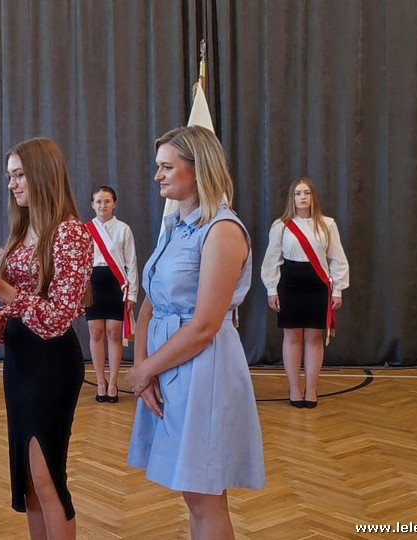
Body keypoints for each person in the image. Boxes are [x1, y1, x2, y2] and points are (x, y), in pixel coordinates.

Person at [125, 126, 265, 539]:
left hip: (203, 370)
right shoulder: (175, 226)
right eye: (158, 167)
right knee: (193, 493)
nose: (157, 176)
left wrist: (146, 369)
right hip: (169, 366)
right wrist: (143, 367)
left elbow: (204, 326)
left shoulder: (222, 230)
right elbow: (149, 303)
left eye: (167, 167)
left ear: (198, 169)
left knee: (204, 495)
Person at [0, 137, 92, 539]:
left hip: (51, 364)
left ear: (42, 175)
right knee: (29, 481)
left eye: (19, 175)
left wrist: (3, 291)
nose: (12, 184)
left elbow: (56, 318)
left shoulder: (71, 233)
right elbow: (19, 303)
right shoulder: (24, 231)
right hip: (20, 363)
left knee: (47, 474)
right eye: (9, 176)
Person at [261, 177, 349, 408]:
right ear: (292, 197)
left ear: (313, 197)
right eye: (298, 193)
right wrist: (271, 289)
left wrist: (338, 290)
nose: (302, 197)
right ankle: (294, 388)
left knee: (313, 338)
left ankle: (311, 389)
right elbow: (272, 259)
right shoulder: (281, 226)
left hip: (317, 287)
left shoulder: (327, 224)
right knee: (291, 338)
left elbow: (337, 259)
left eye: (306, 193)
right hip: (289, 287)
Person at [84, 185, 138, 403]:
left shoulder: (123, 229)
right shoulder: (86, 230)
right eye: (98, 201)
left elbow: (131, 263)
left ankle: (113, 382)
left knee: (114, 334)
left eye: (107, 201)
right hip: (93, 287)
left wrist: (132, 294)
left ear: (114, 203)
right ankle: (100, 382)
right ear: (92, 205)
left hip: (116, 286)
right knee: (96, 333)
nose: (103, 205)